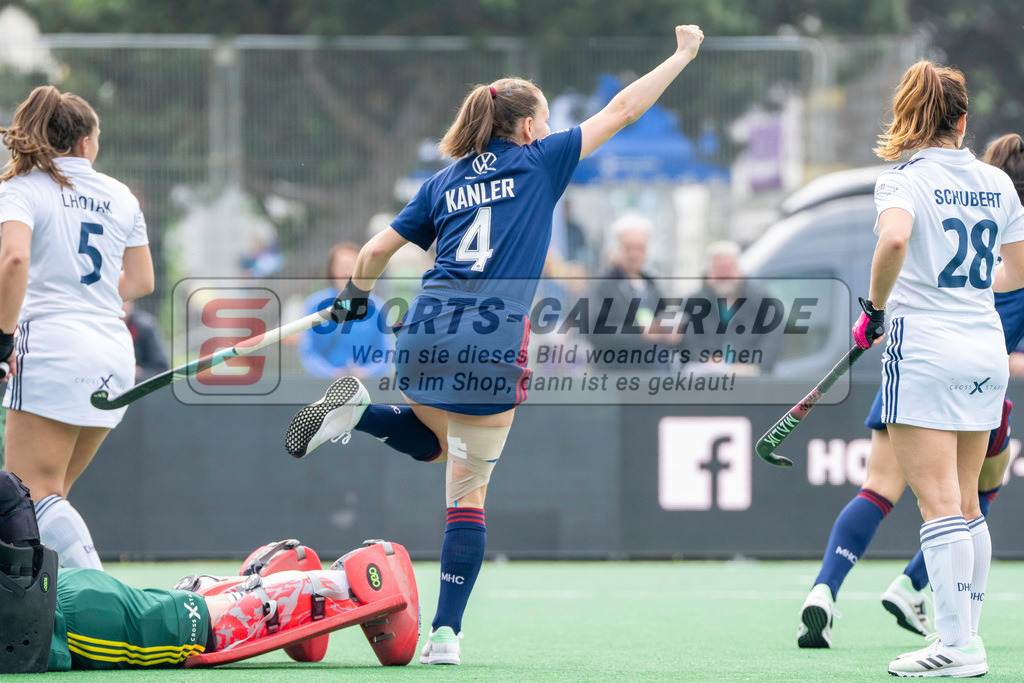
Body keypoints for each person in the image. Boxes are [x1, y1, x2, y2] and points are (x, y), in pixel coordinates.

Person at [283, 24, 705, 665]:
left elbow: (372, 252)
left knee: (430, 443)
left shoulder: (443, 181)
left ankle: (356, 413)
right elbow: (622, 110)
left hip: (423, 332)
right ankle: (445, 636)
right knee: (466, 494)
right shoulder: (541, 161)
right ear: (530, 127)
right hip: (490, 342)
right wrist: (680, 56)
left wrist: (354, 298)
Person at [798, 132, 1024, 652]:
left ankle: (827, 592)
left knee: (880, 490)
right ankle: (925, 602)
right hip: (980, 374)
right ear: (961, 121)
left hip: (921, 360)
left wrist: (876, 310)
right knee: (972, 500)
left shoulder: (914, 185)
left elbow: (898, 242)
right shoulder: (998, 216)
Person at [0, 471, 418, 673]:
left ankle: (351, 582)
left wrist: (26, 586)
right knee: (184, 614)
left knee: (215, 629)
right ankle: (235, 582)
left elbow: (10, 491)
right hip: (56, 613)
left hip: (60, 622)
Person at [0, 85, 155, 570]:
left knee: (31, 496)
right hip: (112, 353)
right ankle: (55, 616)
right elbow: (142, 281)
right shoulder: (121, 196)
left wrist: (3, 337)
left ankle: (103, 608)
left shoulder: (21, 189)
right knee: (52, 496)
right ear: (86, 142)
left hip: (49, 349)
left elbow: (15, 257)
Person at [588, 214, 679, 369]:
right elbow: (595, 332)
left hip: (655, 374)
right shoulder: (603, 286)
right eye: (629, 248)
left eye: (640, 248)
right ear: (617, 248)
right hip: (619, 377)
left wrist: (671, 333)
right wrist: (639, 334)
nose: (634, 254)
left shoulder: (651, 285)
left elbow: (664, 319)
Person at [680, 240, 784, 375]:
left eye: (728, 269)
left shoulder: (760, 301)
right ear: (708, 274)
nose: (724, 276)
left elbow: (774, 336)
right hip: (707, 381)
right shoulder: (694, 304)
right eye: (718, 270)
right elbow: (686, 339)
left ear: (739, 271)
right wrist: (705, 360)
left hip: (751, 382)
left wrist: (753, 366)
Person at [298, 242, 393, 378]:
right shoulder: (314, 304)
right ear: (332, 270)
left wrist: (365, 373)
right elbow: (308, 353)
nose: (347, 272)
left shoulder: (378, 307)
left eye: (352, 266)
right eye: (341, 266)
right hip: (324, 388)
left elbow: (386, 354)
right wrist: (332, 374)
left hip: (366, 387)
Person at [122, 299, 169, 381]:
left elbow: (161, 369)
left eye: (123, 301)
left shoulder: (144, 327)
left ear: (131, 303)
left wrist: (138, 373)